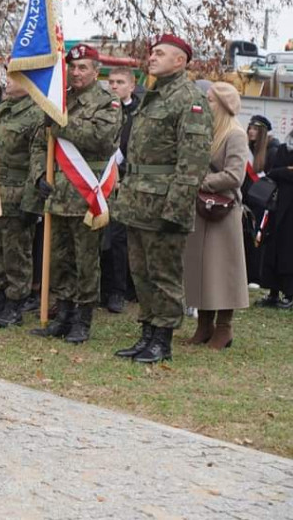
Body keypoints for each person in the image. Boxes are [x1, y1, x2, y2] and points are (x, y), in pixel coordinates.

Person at [112, 35, 211, 363]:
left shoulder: (189, 99)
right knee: (140, 272)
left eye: (159, 53)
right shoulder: (153, 96)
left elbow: (192, 161)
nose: (151, 58)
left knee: (164, 273)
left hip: (164, 203)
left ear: (179, 61)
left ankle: (163, 339)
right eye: (151, 53)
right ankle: (147, 332)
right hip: (138, 200)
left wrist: (177, 208)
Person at [29, 44, 121, 344]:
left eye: (84, 67)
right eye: (74, 67)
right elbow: (40, 143)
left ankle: (83, 319)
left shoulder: (107, 103)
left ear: (96, 72)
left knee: (85, 261)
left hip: (86, 194)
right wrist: (40, 174)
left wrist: (61, 123)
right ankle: (64, 313)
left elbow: (100, 139)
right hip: (58, 192)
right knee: (59, 259)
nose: (77, 72)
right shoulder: (59, 100)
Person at [184, 83, 249, 349]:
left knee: (223, 271)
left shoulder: (235, 134)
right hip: (201, 208)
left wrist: (200, 181)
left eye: (210, 100)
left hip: (224, 211)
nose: (205, 103)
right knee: (200, 269)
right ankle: (204, 325)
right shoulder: (206, 131)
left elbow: (235, 175)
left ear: (223, 104)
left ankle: (224, 328)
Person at [0, 78, 41, 327]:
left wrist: (32, 203)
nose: (7, 82)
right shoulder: (2, 110)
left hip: (17, 193)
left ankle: (15, 304)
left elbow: (38, 161)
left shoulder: (37, 114)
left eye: (14, 78)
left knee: (16, 253)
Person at [256, 110, 293, 311]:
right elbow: (273, 172)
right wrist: (290, 171)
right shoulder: (284, 148)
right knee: (274, 244)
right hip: (279, 203)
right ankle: (272, 292)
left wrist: (286, 172)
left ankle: (288, 295)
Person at [99, 66, 140, 312]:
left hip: (125, 180)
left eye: (120, 82)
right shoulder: (103, 108)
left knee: (118, 237)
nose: (114, 86)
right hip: (98, 179)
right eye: (111, 82)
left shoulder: (139, 112)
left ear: (131, 86)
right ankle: (102, 287)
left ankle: (118, 290)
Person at [243, 115, 279, 285]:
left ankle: (256, 275)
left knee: (257, 237)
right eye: (250, 128)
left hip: (261, 201)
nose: (251, 132)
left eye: (255, 129)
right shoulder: (245, 149)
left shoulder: (272, 150)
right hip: (245, 200)